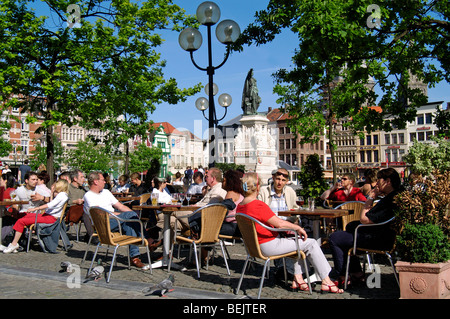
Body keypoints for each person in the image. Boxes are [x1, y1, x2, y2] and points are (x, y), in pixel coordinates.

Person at [237, 173, 343, 293]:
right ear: (257, 187)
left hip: (254, 247)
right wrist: (297, 228)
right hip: (268, 245)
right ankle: (326, 280)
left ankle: (298, 278)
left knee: (298, 242)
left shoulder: (240, 206)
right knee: (311, 243)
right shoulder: (257, 205)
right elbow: (279, 224)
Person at [328, 168, 402, 287]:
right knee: (349, 229)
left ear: (387, 181)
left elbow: (364, 219)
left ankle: (342, 275)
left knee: (335, 238)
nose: (376, 183)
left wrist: (371, 197)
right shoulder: (396, 196)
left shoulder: (389, 200)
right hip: (386, 236)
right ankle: (356, 272)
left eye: (379, 180)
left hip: (378, 239)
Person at [82, 171, 150, 269]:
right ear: (96, 182)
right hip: (102, 224)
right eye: (103, 180)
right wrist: (124, 215)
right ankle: (147, 239)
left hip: (116, 221)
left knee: (130, 223)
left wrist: (133, 215)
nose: (105, 182)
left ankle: (135, 258)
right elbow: (100, 214)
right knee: (129, 217)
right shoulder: (89, 195)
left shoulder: (106, 192)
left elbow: (120, 206)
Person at [2, 179, 69, 254]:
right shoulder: (61, 195)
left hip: (50, 218)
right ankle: (19, 239)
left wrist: (35, 208)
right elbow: (52, 202)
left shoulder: (62, 195)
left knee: (21, 221)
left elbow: (50, 205)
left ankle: (14, 244)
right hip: (47, 215)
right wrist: (52, 193)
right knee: (24, 215)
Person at [220, 169, 244, 237]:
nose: (222, 182)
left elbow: (223, 212)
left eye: (223, 180)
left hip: (232, 226)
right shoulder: (237, 193)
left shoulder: (230, 194)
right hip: (238, 226)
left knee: (208, 227)